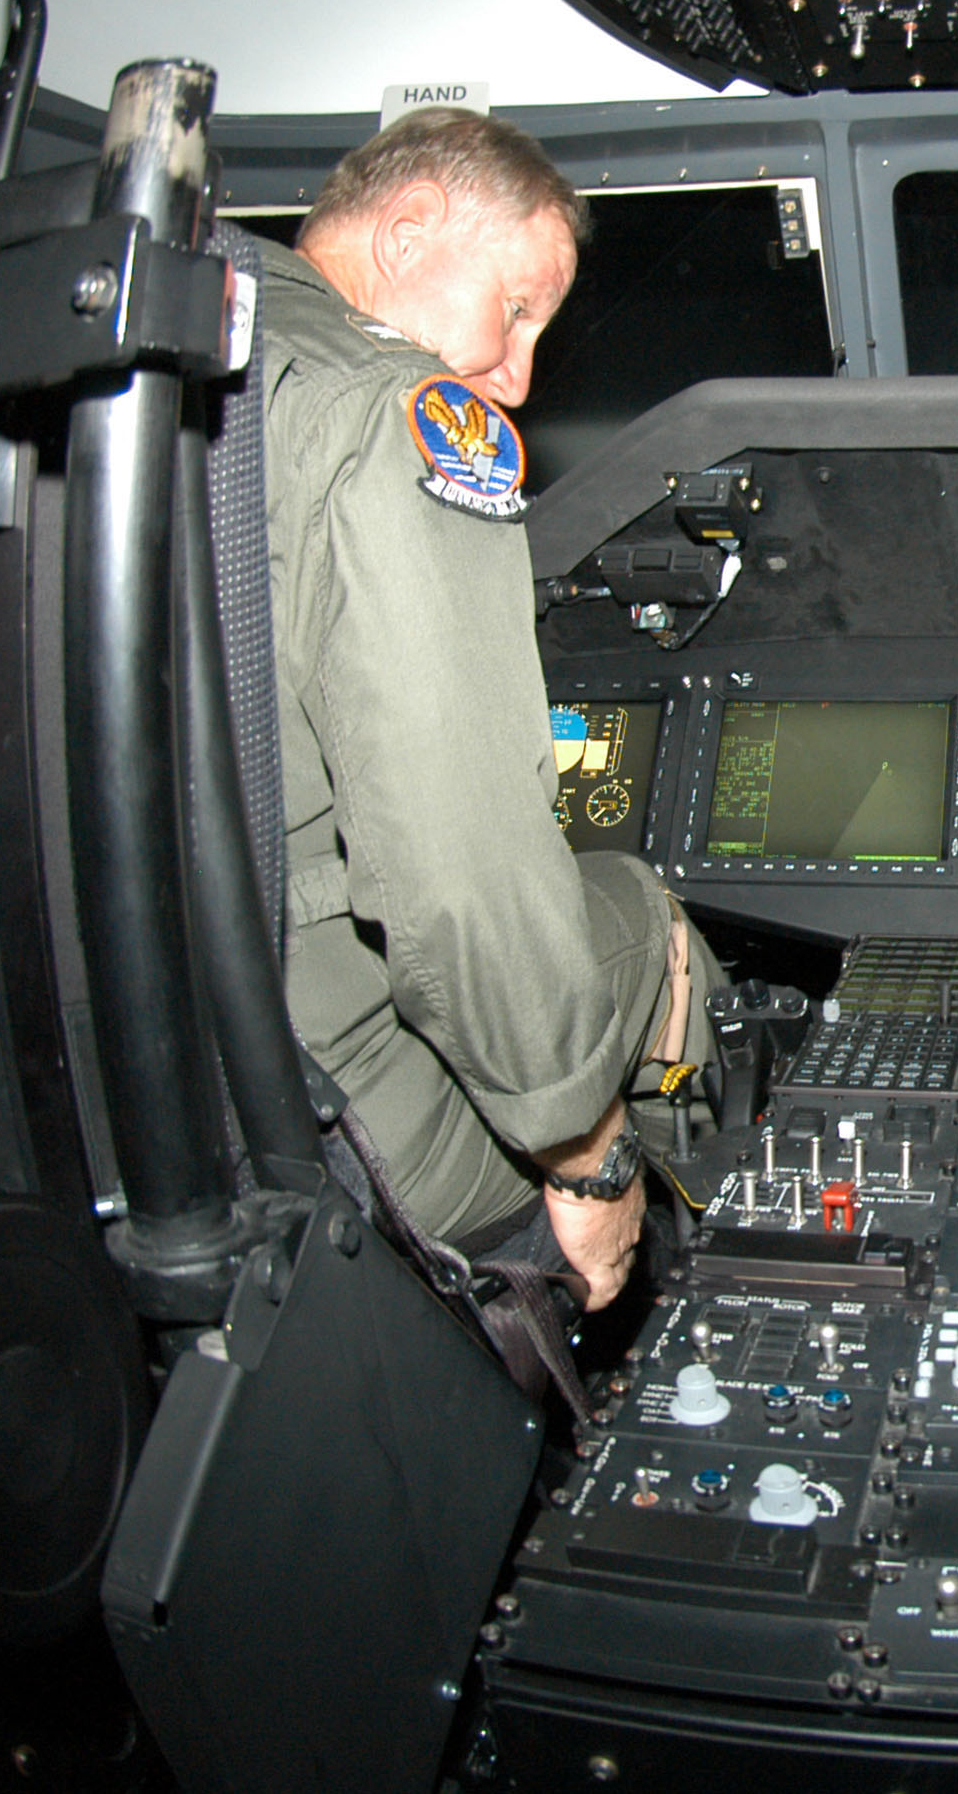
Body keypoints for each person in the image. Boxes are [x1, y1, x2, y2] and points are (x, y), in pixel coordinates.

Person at [260, 106, 712, 1312]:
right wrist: (588, 1149)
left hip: (161, 1074)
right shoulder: (390, 416)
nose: (514, 379)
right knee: (643, 913)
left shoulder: (190, 365)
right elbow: (460, 879)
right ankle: (690, 1253)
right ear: (407, 231)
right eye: (516, 309)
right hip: (332, 1110)